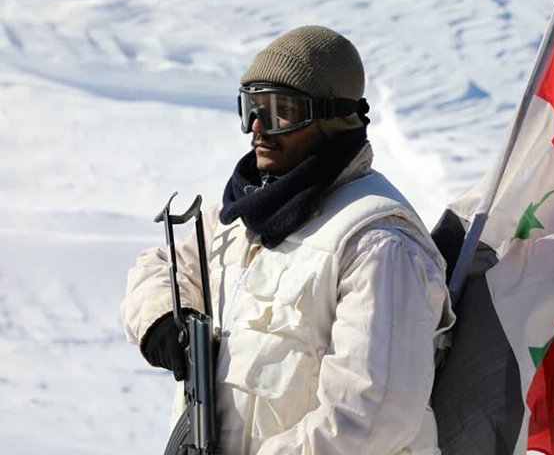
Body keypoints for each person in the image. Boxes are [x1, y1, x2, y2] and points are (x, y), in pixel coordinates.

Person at [121, 25, 455, 454]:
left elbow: (370, 417)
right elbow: (159, 268)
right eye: (251, 108)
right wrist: (166, 320)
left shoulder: (378, 244)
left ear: (333, 119)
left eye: (279, 111)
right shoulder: (243, 218)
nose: (257, 127)